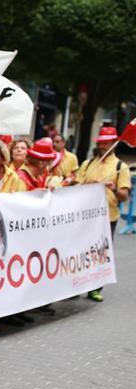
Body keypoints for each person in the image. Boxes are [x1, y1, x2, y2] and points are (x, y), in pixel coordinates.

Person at [74, 126, 132, 302]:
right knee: (79, 251)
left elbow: (124, 196)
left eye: (107, 143)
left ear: (113, 145)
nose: (103, 146)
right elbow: (76, 187)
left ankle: (95, 288)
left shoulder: (120, 167)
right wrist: (86, 184)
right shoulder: (88, 164)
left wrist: (113, 188)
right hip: (85, 216)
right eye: (101, 143)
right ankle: (75, 284)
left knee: (100, 253)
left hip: (108, 216)